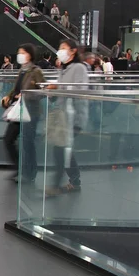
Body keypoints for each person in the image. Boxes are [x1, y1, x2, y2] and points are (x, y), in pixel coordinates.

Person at [46, 39, 89, 196]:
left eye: (63, 48)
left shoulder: (79, 68)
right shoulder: (63, 69)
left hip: (74, 116)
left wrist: (58, 87)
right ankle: (74, 181)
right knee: (64, 149)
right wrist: (52, 91)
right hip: (63, 115)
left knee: (60, 149)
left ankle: (56, 185)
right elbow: (59, 96)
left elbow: (79, 90)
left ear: (73, 51)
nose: (60, 51)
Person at [2, 43, 46, 182]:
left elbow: (42, 92)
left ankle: (30, 174)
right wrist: (9, 96)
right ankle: (20, 168)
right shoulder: (22, 70)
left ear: (29, 54)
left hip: (31, 112)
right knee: (8, 139)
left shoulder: (35, 71)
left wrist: (25, 95)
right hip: (19, 111)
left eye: (22, 52)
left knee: (28, 143)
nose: (20, 55)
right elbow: (17, 89)